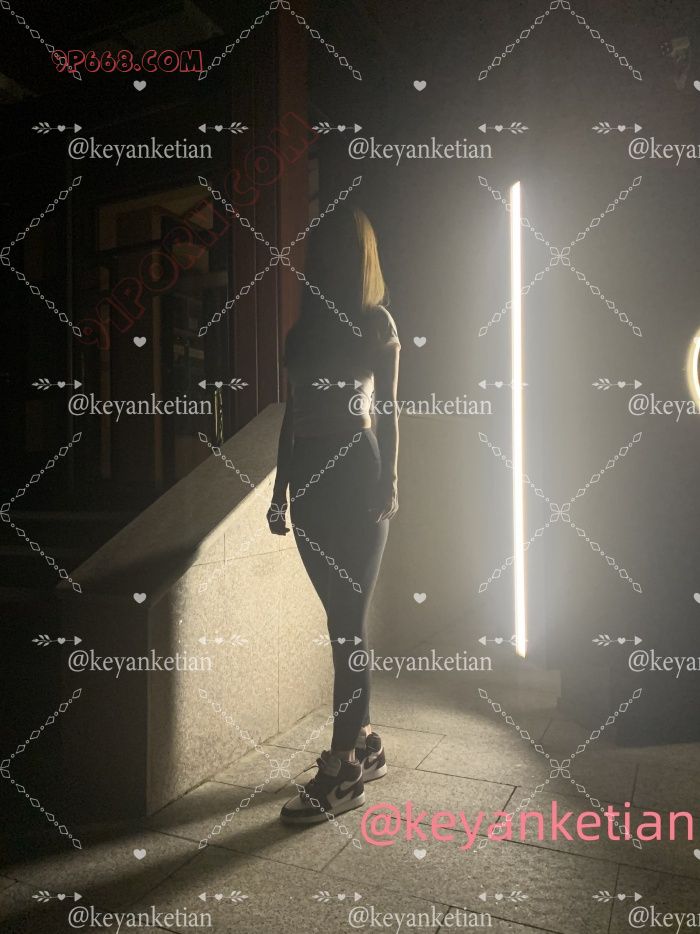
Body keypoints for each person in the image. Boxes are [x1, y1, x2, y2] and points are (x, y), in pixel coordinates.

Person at [267, 205, 400, 824]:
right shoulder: (303, 335)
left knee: (347, 625)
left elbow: (389, 408)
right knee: (340, 622)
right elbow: (292, 417)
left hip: (355, 476)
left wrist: (389, 480)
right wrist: (280, 490)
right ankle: (365, 744)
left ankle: (343, 768)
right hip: (316, 484)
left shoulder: (375, 324)